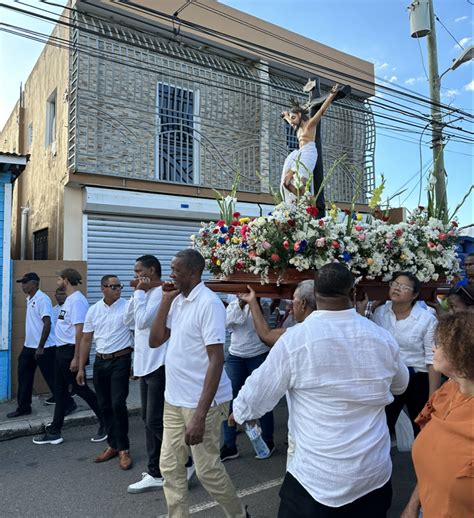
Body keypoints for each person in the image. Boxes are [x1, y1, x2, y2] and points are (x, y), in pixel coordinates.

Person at [232, 263, 409, 517]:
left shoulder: (295, 340)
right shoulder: (381, 338)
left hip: (317, 477)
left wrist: (240, 411)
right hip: (372, 473)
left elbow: (258, 394)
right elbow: (401, 384)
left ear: (314, 294)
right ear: (353, 291)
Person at [149, 249, 247, 518]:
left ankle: (239, 514)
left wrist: (200, 415)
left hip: (202, 403)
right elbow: (155, 340)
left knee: (207, 471)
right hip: (174, 400)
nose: (171, 275)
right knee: (169, 465)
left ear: (193, 272)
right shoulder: (178, 301)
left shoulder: (209, 303)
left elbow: (216, 360)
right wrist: (165, 302)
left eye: (176, 270)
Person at [124, 255, 193, 493]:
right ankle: (156, 471)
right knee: (147, 419)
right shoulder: (142, 294)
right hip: (144, 364)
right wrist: (137, 293)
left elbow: (143, 322)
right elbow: (128, 320)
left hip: (159, 365)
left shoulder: (163, 294)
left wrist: (141, 293)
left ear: (151, 271)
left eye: (138, 271)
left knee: (155, 420)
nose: (135, 277)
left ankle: (186, 462)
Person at [401, 312, 474, 518]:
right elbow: (432, 459)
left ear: (464, 357)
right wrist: (414, 504)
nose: (434, 349)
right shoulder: (448, 391)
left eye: (441, 345)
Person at [33, 268, 104, 445]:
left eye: (59, 278)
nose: (57, 281)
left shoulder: (77, 301)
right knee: (60, 391)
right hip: (61, 351)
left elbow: (80, 331)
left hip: (70, 352)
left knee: (80, 389)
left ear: (66, 280)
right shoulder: (69, 300)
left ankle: (107, 421)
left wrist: (76, 358)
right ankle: (55, 431)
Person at [370, 271, 440, 437]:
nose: (396, 288)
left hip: (417, 379)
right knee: (382, 428)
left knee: (422, 429)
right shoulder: (380, 313)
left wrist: (432, 399)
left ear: (414, 294)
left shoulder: (427, 319)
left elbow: (432, 361)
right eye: (394, 284)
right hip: (389, 376)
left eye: (403, 287)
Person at [76, 275, 133, 470]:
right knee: (104, 405)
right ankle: (113, 445)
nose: (118, 289)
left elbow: (138, 333)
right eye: (113, 286)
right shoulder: (93, 310)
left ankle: (124, 448)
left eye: (119, 285)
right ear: (103, 289)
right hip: (101, 361)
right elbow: (86, 339)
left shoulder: (127, 306)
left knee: (118, 403)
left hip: (121, 359)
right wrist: (82, 367)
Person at [220, 295, 274, 462]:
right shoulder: (234, 304)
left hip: (257, 355)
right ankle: (229, 445)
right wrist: (240, 303)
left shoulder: (262, 304)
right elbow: (228, 322)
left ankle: (267, 440)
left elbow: (263, 326)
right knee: (228, 397)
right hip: (236, 355)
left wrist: (251, 302)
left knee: (261, 397)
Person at [7, 273, 56, 418]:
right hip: (29, 347)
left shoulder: (42, 299)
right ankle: (24, 407)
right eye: (22, 282)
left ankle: (67, 403)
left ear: (34, 284)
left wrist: (40, 347)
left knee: (52, 379)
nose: (22, 285)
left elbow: (47, 323)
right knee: (24, 377)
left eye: (25, 282)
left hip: (44, 347)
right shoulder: (30, 299)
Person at [280, 84, 339, 204]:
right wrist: (286, 116)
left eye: (294, 117)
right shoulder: (298, 128)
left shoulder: (310, 124)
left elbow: (321, 111)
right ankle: (302, 202)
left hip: (309, 152)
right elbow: (290, 122)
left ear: (300, 115)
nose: (292, 120)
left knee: (301, 183)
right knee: (286, 182)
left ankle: (311, 204)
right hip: (300, 154)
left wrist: (331, 95)